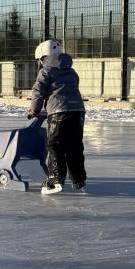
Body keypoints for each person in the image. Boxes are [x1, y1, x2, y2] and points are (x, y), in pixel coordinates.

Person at [26, 39, 86, 195]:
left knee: (56, 146)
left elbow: (38, 91)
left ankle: (55, 180)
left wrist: (34, 110)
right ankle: (78, 179)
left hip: (59, 112)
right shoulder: (72, 72)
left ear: (43, 58)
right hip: (78, 111)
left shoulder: (45, 71)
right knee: (75, 146)